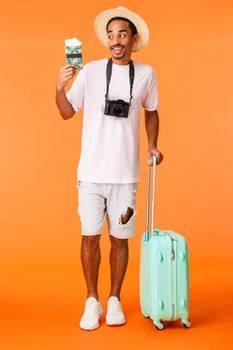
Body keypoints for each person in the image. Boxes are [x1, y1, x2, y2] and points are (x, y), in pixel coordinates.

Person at [55, 6, 163, 331]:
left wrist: (153, 144)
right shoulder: (87, 71)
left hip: (125, 174)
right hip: (90, 172)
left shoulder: (146, 74)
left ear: (134, 39)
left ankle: (114, 299)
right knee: (89, 237)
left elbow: (152, 111)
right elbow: (66, 113)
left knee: (120, 239)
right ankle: (92, 300)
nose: (116, 40)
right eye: (112, 34)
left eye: (123, 34)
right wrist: (59, 87)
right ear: (107, 39)